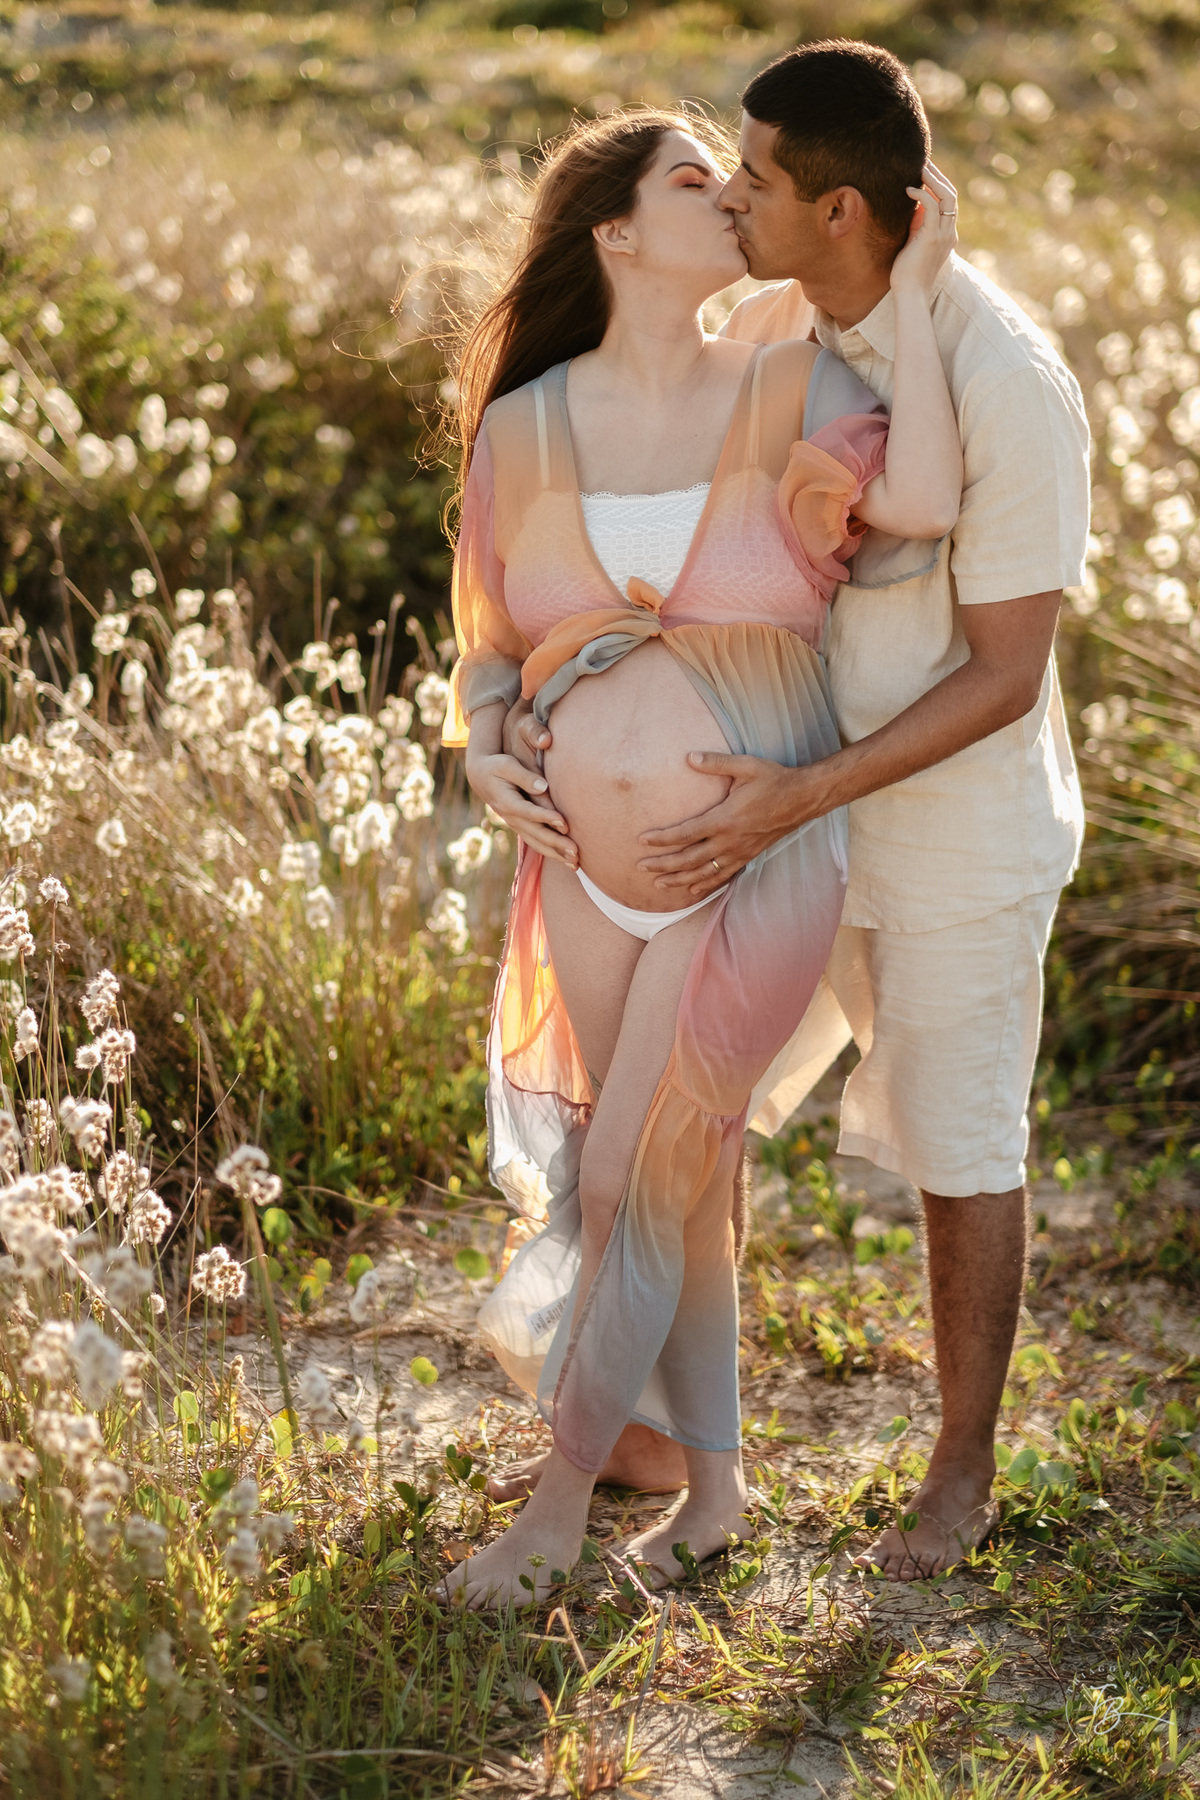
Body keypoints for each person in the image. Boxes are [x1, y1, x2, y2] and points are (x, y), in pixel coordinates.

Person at [511, 40, 1091, 1585]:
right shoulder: (774, 315)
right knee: (706, 1126)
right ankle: (696, 1458)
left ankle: (958, 1472)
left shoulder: (1003, 380)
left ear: (840, 206)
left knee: (960, 1142)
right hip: (778, 823)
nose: (735, 194)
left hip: (945, 839)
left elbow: (1006, 677)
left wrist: (794, 796)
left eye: (757, 180)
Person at [438, 103, 961, 1609]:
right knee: (673, 1173)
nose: (734, 196)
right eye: (695, 179)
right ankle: (717, 1493)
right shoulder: (525, 424)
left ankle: (550, 1514)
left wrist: (916, 292)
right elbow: (490, 644)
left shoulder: (791, 381)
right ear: (616, 230)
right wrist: (485, 750)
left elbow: (917, 503)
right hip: (584, 870)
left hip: (759, 841)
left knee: (629, 1170)